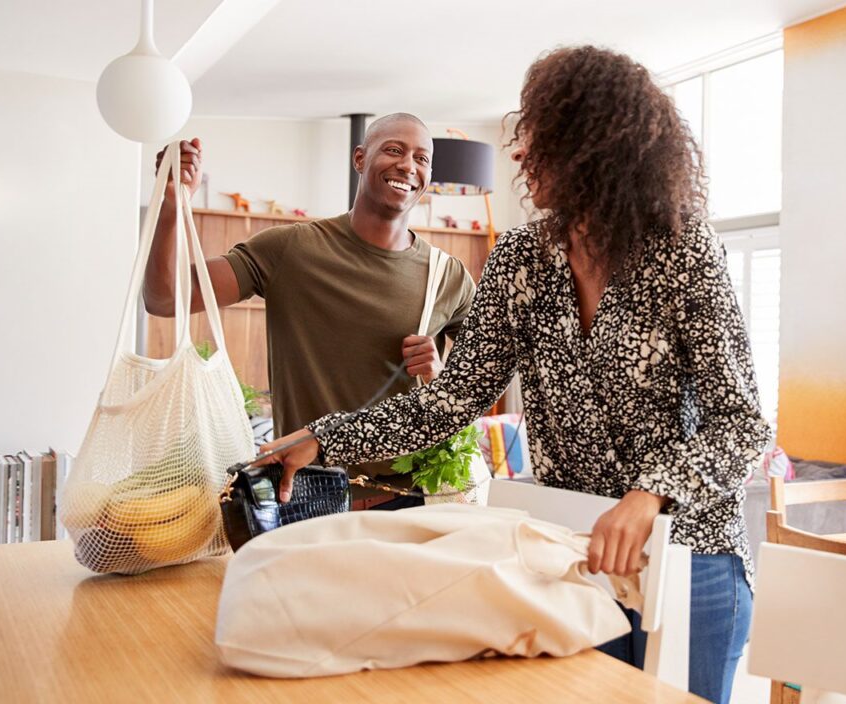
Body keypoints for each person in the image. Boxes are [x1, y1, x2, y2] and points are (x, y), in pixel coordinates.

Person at [257, 47, 771, 703]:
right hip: (572, 555)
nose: (521, 154)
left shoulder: (682, 249)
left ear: (593, 141)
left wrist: (648, 497)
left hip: (695, 557)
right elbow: (448, 401)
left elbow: (744, 422)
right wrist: (326, 436)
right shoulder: (523, 259)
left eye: (539, 134)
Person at [144, 113, 476, 510]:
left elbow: (478, 382)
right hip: (304, 492)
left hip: (410, 497)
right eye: (394, 150)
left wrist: (441, 373)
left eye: (422, 158)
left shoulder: (447, 275)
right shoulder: (291, 249)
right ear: (359, 158)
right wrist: (169, 203)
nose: (408, 165)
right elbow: (165, 297)